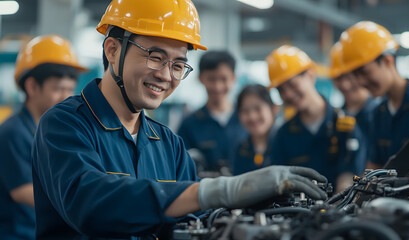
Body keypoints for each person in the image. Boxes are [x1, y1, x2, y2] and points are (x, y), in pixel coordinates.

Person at [31, 0, 328, 239]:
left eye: (178, 65)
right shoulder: (64, 125)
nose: (165, 75)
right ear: (112, 49)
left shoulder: (169, 144)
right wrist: (219, 189)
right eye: (155, 57)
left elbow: (189, 223)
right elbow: (91, 204)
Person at [0, 35, 86, 239]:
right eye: (58, 89)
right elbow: (22, 191)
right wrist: (82, 203)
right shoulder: (13, 132)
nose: (66, 98)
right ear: (32, 87)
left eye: (69, 89)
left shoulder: (54, 131)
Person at [267, 45, 365, 188]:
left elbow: (350, 174)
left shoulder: (345, 124)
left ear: (310, 75)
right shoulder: (283, 135)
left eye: (292, 84)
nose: (288, 94)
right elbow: (279, 181)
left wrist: (335, 206)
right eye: (281, 89)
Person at [339, 21, 409, 169]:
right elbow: (374, 166)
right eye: (355, 75)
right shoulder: (378, 112)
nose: (360, 81)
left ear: (387, 60)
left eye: (365, 72)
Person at [178, 51, 246, 172]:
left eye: (223, 79)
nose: (217, 86)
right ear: (200, 78)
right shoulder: (189, 125)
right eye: (211, 79)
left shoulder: (248, 119)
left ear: (233, 78)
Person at [329, 42, 377, 174]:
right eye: (338, 78)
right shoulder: (335, 118)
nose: (345, 85)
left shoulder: (380, 113)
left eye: (349, 77)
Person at [233, 84, 276, 175]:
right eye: (245, 111)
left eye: (257, 108)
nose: (252, 117)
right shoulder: (241, 149)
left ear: (273, 109)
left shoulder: (284, 142)